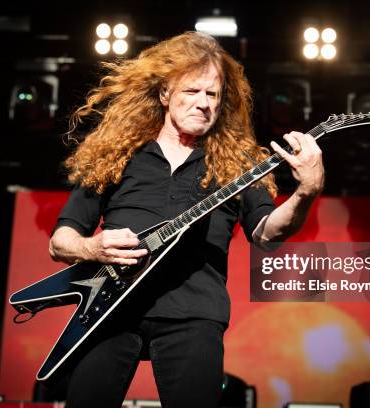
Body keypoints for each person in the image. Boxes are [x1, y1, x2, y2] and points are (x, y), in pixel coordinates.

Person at [48, 31, 324, 408]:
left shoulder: (238, 164)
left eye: (212, 94)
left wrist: (305, 193)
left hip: (194, 314)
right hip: (109, 310)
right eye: (191, 92)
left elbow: (267, 233)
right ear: (165, 94)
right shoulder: (119, 153)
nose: (203, 103)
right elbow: (60, 241)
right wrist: (91, 246)